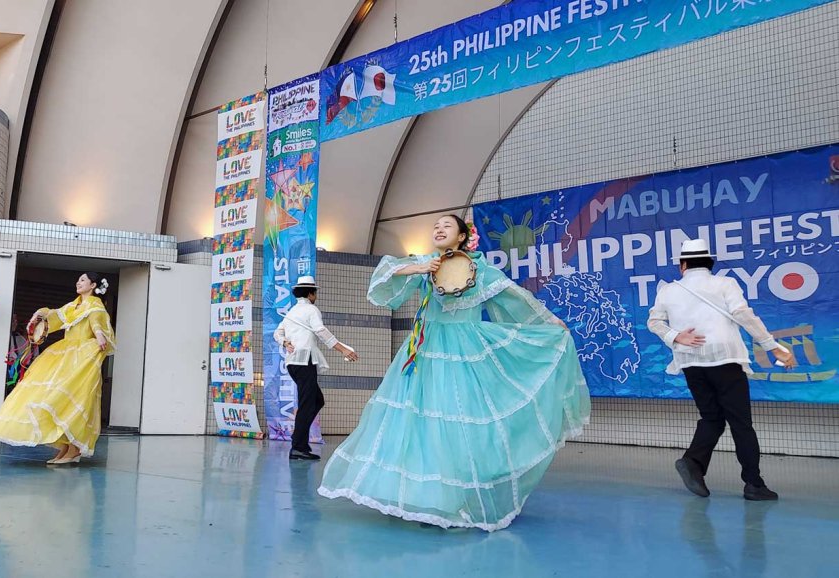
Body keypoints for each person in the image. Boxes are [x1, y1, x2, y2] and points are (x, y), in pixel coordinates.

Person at [317, 215, 590, 531]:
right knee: (416, 420)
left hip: (463, 350)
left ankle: (456, 498)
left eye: (447, 226)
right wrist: (420, 268)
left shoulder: (481, 270)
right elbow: (383, 279)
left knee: (458, 421)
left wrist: (550, 322)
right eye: (435, 226)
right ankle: (410, 494)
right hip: (423, 349)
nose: (438, 229)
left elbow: (516, 298)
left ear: (462, 237)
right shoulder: (427, 262)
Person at [647, 239, 795, 501]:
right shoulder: (725, 284)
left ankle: (693, 461)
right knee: (741, 423)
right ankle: (753, 484)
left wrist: (675, 337)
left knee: (712, 417)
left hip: (691, 361)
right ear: (709, 263)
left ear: (683, 265)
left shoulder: (668, 290)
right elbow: (743, 314)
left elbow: (654, 321)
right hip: (725, 359)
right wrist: (772, 346)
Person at [0, 272, 115, 465]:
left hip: (81, 354)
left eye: (83, 280)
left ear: (93, 285)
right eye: (78, 279)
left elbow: (96, 321)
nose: (78, 282)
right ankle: (65, 444)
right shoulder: (73, 305)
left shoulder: (94, 303)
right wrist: (41, 314)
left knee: (75, 396)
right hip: (65, 353)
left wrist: (100, 336)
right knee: (55, 396)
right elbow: (56, 316)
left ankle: (75, 447)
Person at [274, 276, 358, 461]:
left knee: (317, 400)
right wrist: (343, 349)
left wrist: (284, 341)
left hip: (294, 364)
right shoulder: (311, 309)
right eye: (315, 292)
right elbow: (321, 331)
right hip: (304, 362)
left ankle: (299, 442)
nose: (315, 296)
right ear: (311, 293)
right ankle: (298, 447)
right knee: (307, 404)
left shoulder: (292, 312)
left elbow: (277, 332)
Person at [4, 314, 38, 397]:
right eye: (13, 320)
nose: (15, 322)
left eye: (16, 320)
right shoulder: (11, 338)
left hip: (24, 378)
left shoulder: (32, 344)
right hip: (10, 378)